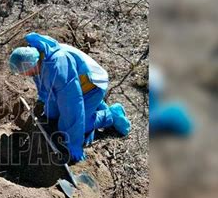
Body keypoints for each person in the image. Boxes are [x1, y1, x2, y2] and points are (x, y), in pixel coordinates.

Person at [9, 32, 131, 162]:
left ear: (30, 65)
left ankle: (111, 114)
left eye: (22, 72)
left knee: (66, 127)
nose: (23, 75)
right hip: (75, 84)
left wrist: (74, 143)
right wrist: (49, 114)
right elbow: (47, 90)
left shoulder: (57, 67)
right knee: (55, 117)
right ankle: (96, 106)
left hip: (92, 85)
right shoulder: (38, 58)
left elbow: (72, 105)